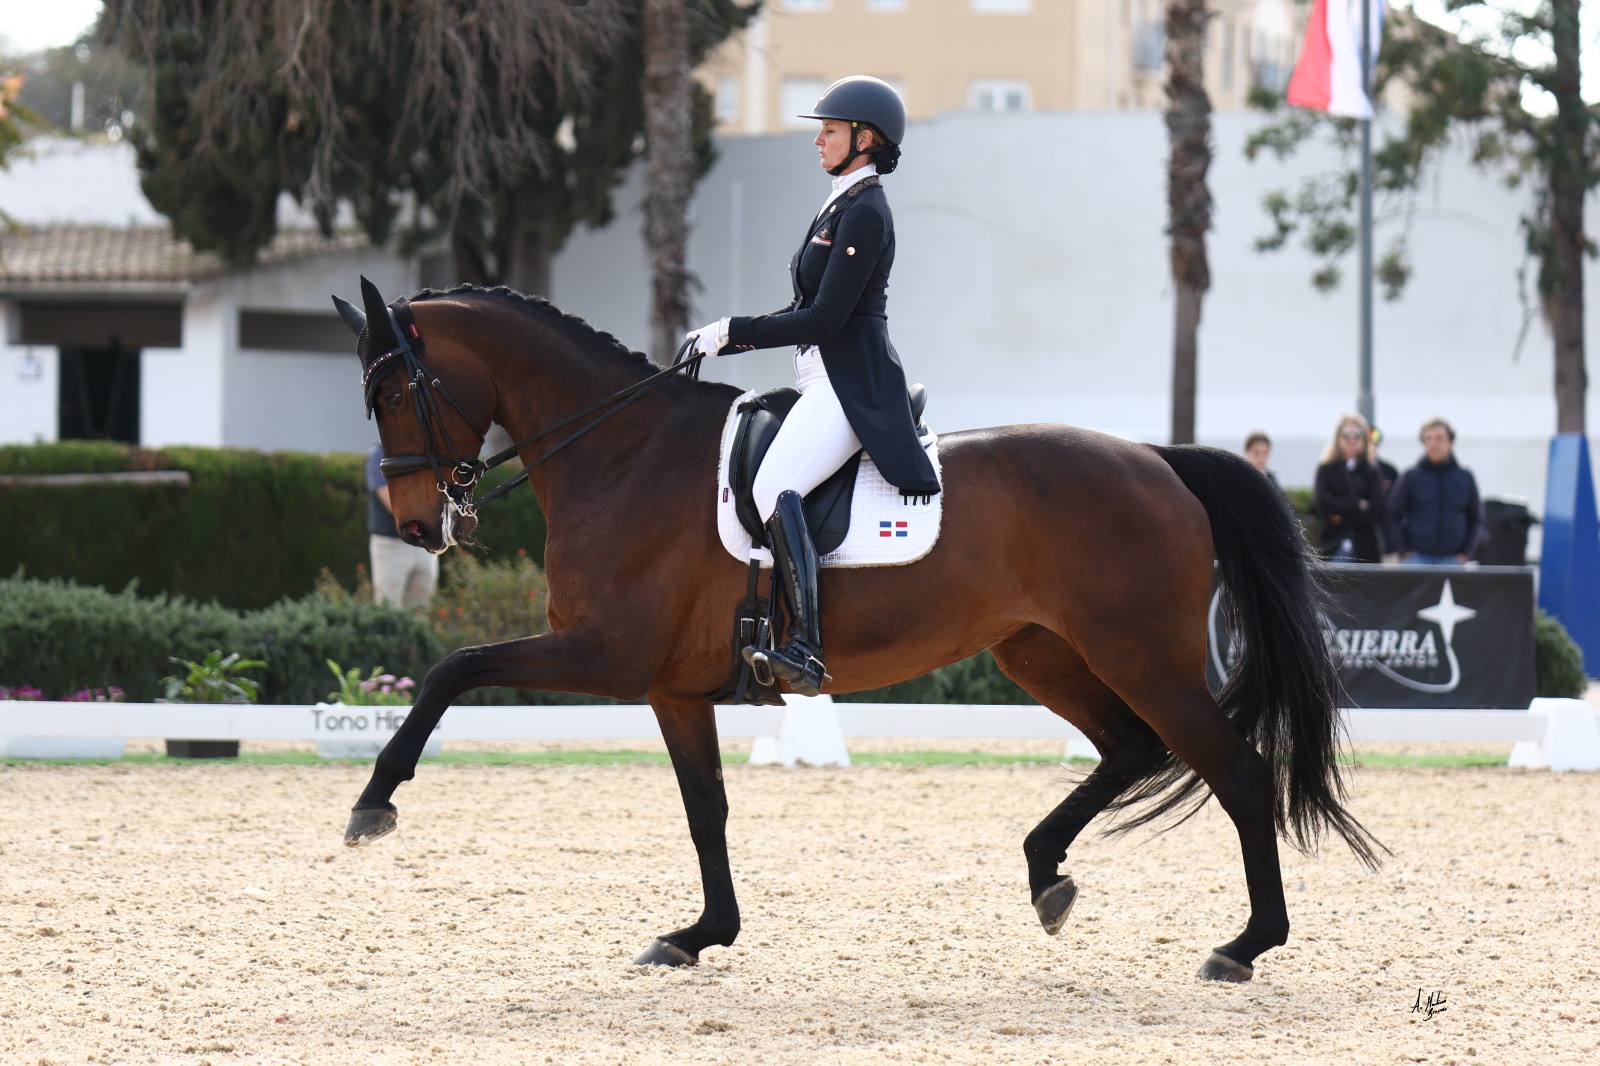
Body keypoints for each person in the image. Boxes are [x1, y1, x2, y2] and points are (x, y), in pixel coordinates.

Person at [683, 75, 940, 697]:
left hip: (849, 385)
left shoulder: (866, 212)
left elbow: (825, 319)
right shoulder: (838, 205)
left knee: (776, 484)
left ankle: (805, 646)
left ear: (865, 138)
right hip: (821, 378)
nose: (818, 140)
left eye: (829, 130)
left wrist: (731, 332)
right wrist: (734, 334)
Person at [1386, 417, 1483, 565]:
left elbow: (1476, 518)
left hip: (1453, 560)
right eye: (1428, 439)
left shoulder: (1465, 477)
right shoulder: (1411, 476)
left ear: (1450, 442)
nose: (1433, 443)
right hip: (1416, 559)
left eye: (1439, 438)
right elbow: (1392, 514)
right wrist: (1403, 550)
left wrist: (1466, 553)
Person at [366, 441, 439, 607]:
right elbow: (392, 504)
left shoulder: (425, 453)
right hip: (391, 548)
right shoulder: (378, 454)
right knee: (388, 610)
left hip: (425, 546)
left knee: (422, 612)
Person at [1313, 413, 1385, 564]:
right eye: (1346, 434)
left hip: (1365, 547)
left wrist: (1343, 517)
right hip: (1334, 545)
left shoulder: (1372, 470)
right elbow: (1323, 503)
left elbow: (1377, 509)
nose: (1352, 439)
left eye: (1357, 434)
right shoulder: (1326, 468)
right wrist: (1357, 503)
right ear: (1338, 438)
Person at [1243, 430, 1287, 496]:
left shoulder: (1273, 480)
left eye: (1265, 453)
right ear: (1247, 452)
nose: (1261, 458)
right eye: (1256, 452)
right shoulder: (1240, 479)